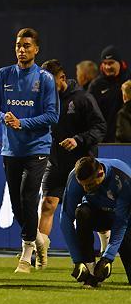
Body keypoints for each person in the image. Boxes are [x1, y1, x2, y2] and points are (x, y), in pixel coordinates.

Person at [0, 28, 59, 274]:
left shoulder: (45, 79)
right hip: (11, 149)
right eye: (18, 45)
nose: (21, 49)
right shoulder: (4, 74)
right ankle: (38, 239)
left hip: (37, 148)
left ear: (36, 49)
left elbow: (52, 115)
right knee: (17, 206)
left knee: (29, 198)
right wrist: (2, 117)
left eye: (27, 45)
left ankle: (26, 257)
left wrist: (22, 123)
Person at [37, 59, 106, 269]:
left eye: (50, 83)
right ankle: (37, 255)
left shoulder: (83, 99)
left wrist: (78, 140)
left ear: (62, 78)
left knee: (92, 209)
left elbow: (100, 127)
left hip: (83, 165)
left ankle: (105, 249)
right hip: (56, 162)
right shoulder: (44, 101)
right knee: (47, 204)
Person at [60, 157, 131, 288]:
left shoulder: (123, 177)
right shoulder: (74, 178)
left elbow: (121, 223)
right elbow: (65, 219)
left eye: (90, 185)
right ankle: (91, 272)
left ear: (100, 174)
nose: (85, 189)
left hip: (123, 218)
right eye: (82, 185)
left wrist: (108, 258)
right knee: (82, 213)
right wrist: (77, 260)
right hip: (96, 214)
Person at [88, 46, 131, 142]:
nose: (107, 67)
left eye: (111, 63)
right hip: (104, 141)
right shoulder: (96, 86)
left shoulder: (129, 82)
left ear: (120, 63)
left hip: (126, 141)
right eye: (105, 63)